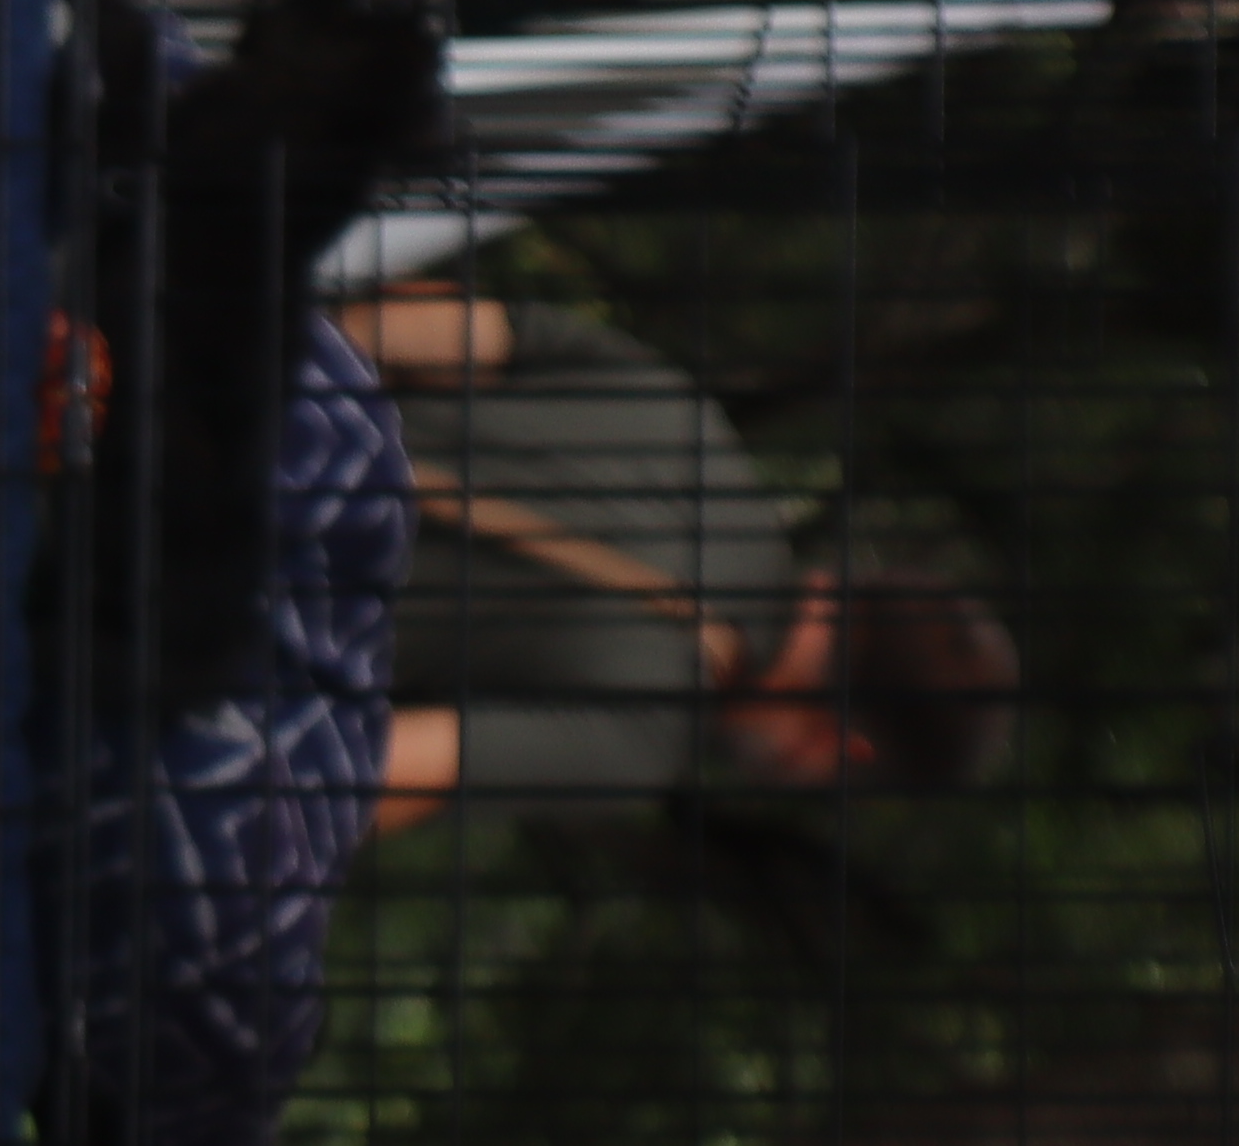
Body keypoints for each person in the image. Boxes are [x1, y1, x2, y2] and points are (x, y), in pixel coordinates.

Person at [334, 282, 1018, 830]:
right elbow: (360, 776)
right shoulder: (642, 740)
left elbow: (408, 320)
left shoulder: (685, 417)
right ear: (841, 750)